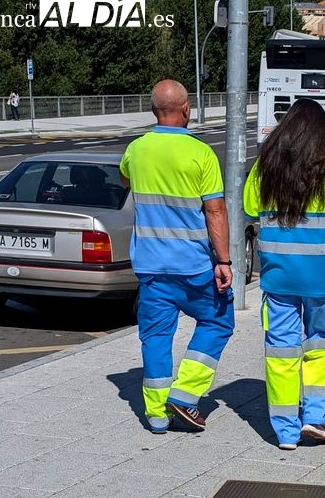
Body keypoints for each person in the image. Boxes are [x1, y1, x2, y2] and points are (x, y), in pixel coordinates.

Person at [119, 79, 235, 435]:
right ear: (186, 109)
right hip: (195, 266)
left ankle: (155, 414)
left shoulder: (136, 150)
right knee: (218, 322)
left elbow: (125, 182)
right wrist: (225, 261)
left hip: (152, 268)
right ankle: (185, 395)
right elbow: (215, 211)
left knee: (155, 336)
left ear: (154, 110)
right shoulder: (201, 153)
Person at [243, 98, 325, 451]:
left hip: (279, 275)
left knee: (280, 350)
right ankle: (316, 418)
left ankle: (285, 430)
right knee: (320, 346)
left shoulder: (265, 167)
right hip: (322, 275)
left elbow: (249, 211)